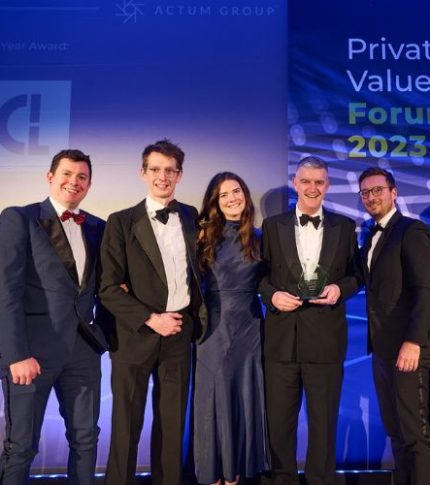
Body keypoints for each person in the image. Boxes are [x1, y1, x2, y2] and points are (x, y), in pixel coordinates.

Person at [0, 149, 111, 484]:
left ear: (89, 184)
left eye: (82, 176)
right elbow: (6, 291)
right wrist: (16, 355)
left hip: (83, 352)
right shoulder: (19, 218)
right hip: (31, 354)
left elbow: (106, 288)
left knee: (86, 440)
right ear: (50, 177)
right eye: (67, 174)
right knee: (21, 446)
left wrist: (103, 338)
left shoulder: (99, 227)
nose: (74, 182)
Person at [99, 139, 203, 485]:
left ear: (180, 174)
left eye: (170, 170)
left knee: (172, 426)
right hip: (135, 335)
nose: (163, 176)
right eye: (155, 169)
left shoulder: (191, 216)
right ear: (143, 172)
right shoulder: (120, 221)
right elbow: (108, 288)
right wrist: (150, 318)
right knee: (126, 425)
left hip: (178, 333)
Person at [259, 156, 362, 485]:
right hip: (281, 341)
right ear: (295, 183)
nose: (312, 188)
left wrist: (339, 289)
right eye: (306, 181)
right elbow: (260, 276)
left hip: (326, 340)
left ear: (327, 185)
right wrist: (272, 296)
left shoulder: (345, 227)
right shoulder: (271, 226)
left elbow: (357, 275)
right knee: (279, 425)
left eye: (319, 182)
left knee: (324, 425)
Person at [193, 172, 271, 485]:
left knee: (243, 398)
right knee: (214, 399)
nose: (231, 199)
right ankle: (214, 475)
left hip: (250, 328)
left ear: (245, 195)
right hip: (213, 328)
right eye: (223, 195)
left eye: (236, 191)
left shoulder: (261, 238)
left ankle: (235, 474)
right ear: (215, 202)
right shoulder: (201, 237)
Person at [358, 167, 430, 485]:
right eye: (365, 192)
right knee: (396, 432)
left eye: (378, 190)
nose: (371, 197)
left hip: (409, 350)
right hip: (383, 350)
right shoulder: (369, 235)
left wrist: (414, 340)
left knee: (416, 435)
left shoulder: (411, 231)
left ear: (394, 193)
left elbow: (425, 289)